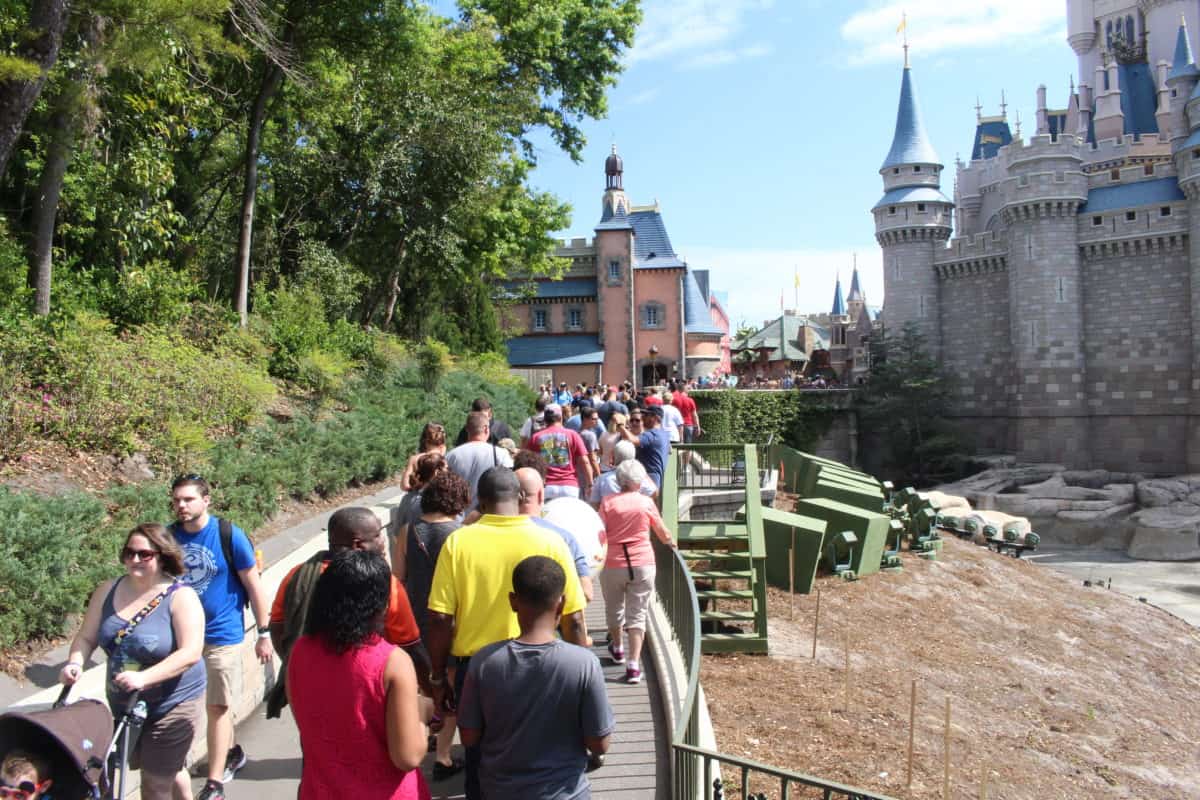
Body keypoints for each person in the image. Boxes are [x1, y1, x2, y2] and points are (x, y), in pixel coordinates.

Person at [426, 467, 588, 800]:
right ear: (520, 498)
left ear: (480, 502)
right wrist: (583, 669)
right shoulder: (550, 540)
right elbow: (574, 619)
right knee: (548, 752)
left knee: (481, 761)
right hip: (546, 665)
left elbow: (440, 618)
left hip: (477, 672)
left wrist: (439, 677)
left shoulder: (458, 542)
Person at [62, 523, 206, 800]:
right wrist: (75, 663)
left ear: (162, 555)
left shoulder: (181, 597)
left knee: (154, 783)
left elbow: (191, 652)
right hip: (125, 704)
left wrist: (144, 678)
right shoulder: (107, 590)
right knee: (168, 770)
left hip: (173, 702)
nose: (134, 560)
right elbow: (85, 638)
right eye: (129, 553)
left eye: (144, 554)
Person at [457, 556, 613, 800]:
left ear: (513, 601)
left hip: (499, 791)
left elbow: (468, 736)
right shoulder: (584, 663)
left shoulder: (483, 661)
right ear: (561, 604)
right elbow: (599, 744)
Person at [288, 551, 432, 800]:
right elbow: (408, 757)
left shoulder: (300, 651)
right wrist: (423, 717)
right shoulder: (393, 662)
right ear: (383, 605)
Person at [167, 475, 272, 800]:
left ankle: (214, 783)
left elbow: (253, 585)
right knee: (187, 707)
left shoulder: (228, 535)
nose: (182, 506)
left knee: (217, 707)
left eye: (188, 499)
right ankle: (230, 753)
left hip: (221, 635)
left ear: (206, 500)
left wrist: (264, 632)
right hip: (183, 639)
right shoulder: (168, 538)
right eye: (176, 501)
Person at [267, 507, 426, 718]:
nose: (383, 541)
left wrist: (296, 662)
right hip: (365, 687)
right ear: (357, 544)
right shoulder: (385, 583)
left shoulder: (296, 576)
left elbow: (278, 627)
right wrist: (432, 684)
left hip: (309, 688)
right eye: (378, 535)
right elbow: (409, 645)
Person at [399, 471, 470, 779]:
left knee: (421, 685)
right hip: (446, 619)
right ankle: (443, 754)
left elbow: (399, 575)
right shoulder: (459, 534)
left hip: (413, 617)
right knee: (448, 687)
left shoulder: (406, 530)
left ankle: (421, 736)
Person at [598, 460, 676, 683]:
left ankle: (618, 648)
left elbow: (600, 532)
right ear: (639, 480)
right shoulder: (646, 503)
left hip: (613, 562)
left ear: (619, 481)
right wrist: (671, 542)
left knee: (614, 609)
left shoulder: (607, 502)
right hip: (642, 562)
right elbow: (661, 531)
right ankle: (633, 665)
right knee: (638, 613)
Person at [515, 467, 593, 603]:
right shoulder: (564, 538)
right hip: (549, 620)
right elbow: (586, 593)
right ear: (541, 495)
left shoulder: (487, 537)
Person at [391, 452, 448, 574]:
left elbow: (397, 535)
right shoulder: (442, 501)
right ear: (437, 473)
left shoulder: (408, 499)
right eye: (447, 469)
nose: (449, 474)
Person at [446, 412, 513, 509]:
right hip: (488, 515)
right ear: (486, 429)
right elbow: (510, 486)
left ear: (467, 429)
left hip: (457, 516)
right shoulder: (500, 454)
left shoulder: (451, 455)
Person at [526, 404, 591, 500]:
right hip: (569, 486)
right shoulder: (572, 435)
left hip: (546, 487)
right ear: (561, 417)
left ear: (545, 419)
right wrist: (590, 484)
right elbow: (585, 461)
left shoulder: (536, 437)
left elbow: (529, 463)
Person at [589, 440, 657, 506]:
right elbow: (654, 492)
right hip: (633, 515)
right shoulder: (640, 478)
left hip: (609, 515)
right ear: (633, 457)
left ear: (614, 456)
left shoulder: (602, 479)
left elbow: (594, 504)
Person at [622, 404, 671, 491]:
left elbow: (633, 440)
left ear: (655, 418)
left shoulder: (652, 434)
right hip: (653, 476)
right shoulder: (663, 434)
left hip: (648, 476)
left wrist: (621, 427)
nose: (643, 417)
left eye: (647, 415)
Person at [400, 423, 447, 491]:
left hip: (419, 498)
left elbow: (404, 486)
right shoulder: (447, 458)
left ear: (424, 440)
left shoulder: (414, 459)